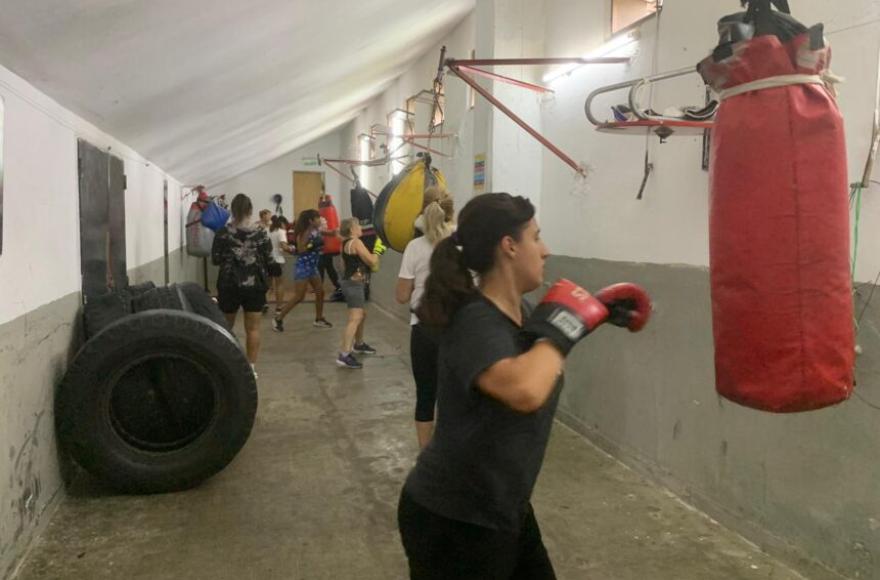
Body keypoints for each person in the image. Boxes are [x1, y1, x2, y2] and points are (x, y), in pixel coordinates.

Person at [397, 192, 651, 578]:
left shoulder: (525, 314)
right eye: (536, 237)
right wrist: (567, 324)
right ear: (509, 247)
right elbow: (524, 390)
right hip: (454, 518)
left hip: (503, 508)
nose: (545, 250)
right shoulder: (474, 321)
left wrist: (590, 315)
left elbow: (539, 360)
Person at [396, 188, 455, 448]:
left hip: (423, 329)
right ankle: (449, 454)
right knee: (453, 397)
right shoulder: (462, 245)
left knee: (426, 394)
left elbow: (401, 295)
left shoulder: (413, 247)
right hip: (456, 329)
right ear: (451, 212)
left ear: (423, 210)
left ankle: (425, 458)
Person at [211, 193, 273, 378]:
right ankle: (251, 367)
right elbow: (269, 259)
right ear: (250, 210)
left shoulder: (222, 233)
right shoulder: (260, 233)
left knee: (225, 327)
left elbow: (215, 259)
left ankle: (224, 363)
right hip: (254, 286)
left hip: (228, 285)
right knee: (253, 328)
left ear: (232, 211)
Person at [273, 209, 333, 331]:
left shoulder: (317, 230)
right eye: (317, 218)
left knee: (320, 292)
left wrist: (340, 231)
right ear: (311, 221)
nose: (320, 219)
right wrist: (313, 244)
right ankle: (278, 318)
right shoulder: (305, 233)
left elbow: (330, 233)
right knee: (299, 296)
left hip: (312, 267)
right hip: (303, 267)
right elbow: (301, 250)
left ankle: (319, 318)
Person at [335, 218, 379, 369]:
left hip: (349, 283)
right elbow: (372, 261)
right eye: (357, 225)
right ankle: (344, 354)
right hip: (354, 285)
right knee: (355, 318)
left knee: (362, 315)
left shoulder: (345, 243)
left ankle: (359, 344)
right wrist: (378, 251)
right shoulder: (356, 242)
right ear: (352, 229)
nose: (360, 227)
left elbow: (342, 265)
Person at [268, 215, 291, 316]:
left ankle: (263, 304)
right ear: (282, 223)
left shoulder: (268, 230)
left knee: (267, 285)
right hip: (278, 261)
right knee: (279, 285)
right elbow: (284, 246)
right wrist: (292, 249)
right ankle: (278, 307)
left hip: (267, 260)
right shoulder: (281, 232)